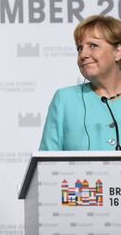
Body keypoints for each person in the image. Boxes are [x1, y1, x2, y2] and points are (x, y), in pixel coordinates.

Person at [39, 15, 121, 151]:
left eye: (93, 46)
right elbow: (46, 164)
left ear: (118, 52)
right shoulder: (65, 99)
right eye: (79, 48)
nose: (83, 55)